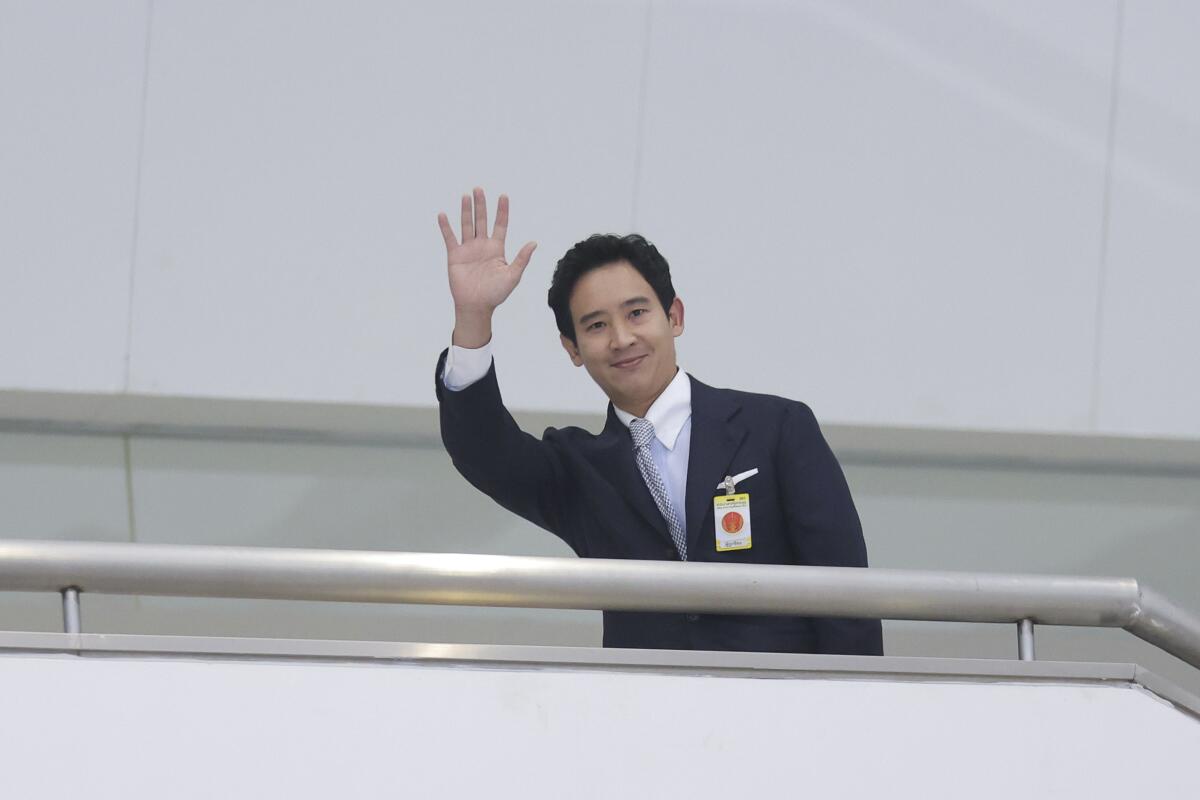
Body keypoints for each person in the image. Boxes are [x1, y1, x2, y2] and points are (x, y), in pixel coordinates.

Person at [434, 187, 883, 655]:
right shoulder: (578, 470)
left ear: (674, 316)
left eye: (637, 313)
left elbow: (845, 593)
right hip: (644, 710)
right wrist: (472, 318)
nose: (622, 338)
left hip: (779, 704)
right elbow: (482, 450)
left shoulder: (777, 427)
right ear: (572, 349)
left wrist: (854, 705)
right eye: (596, 325)